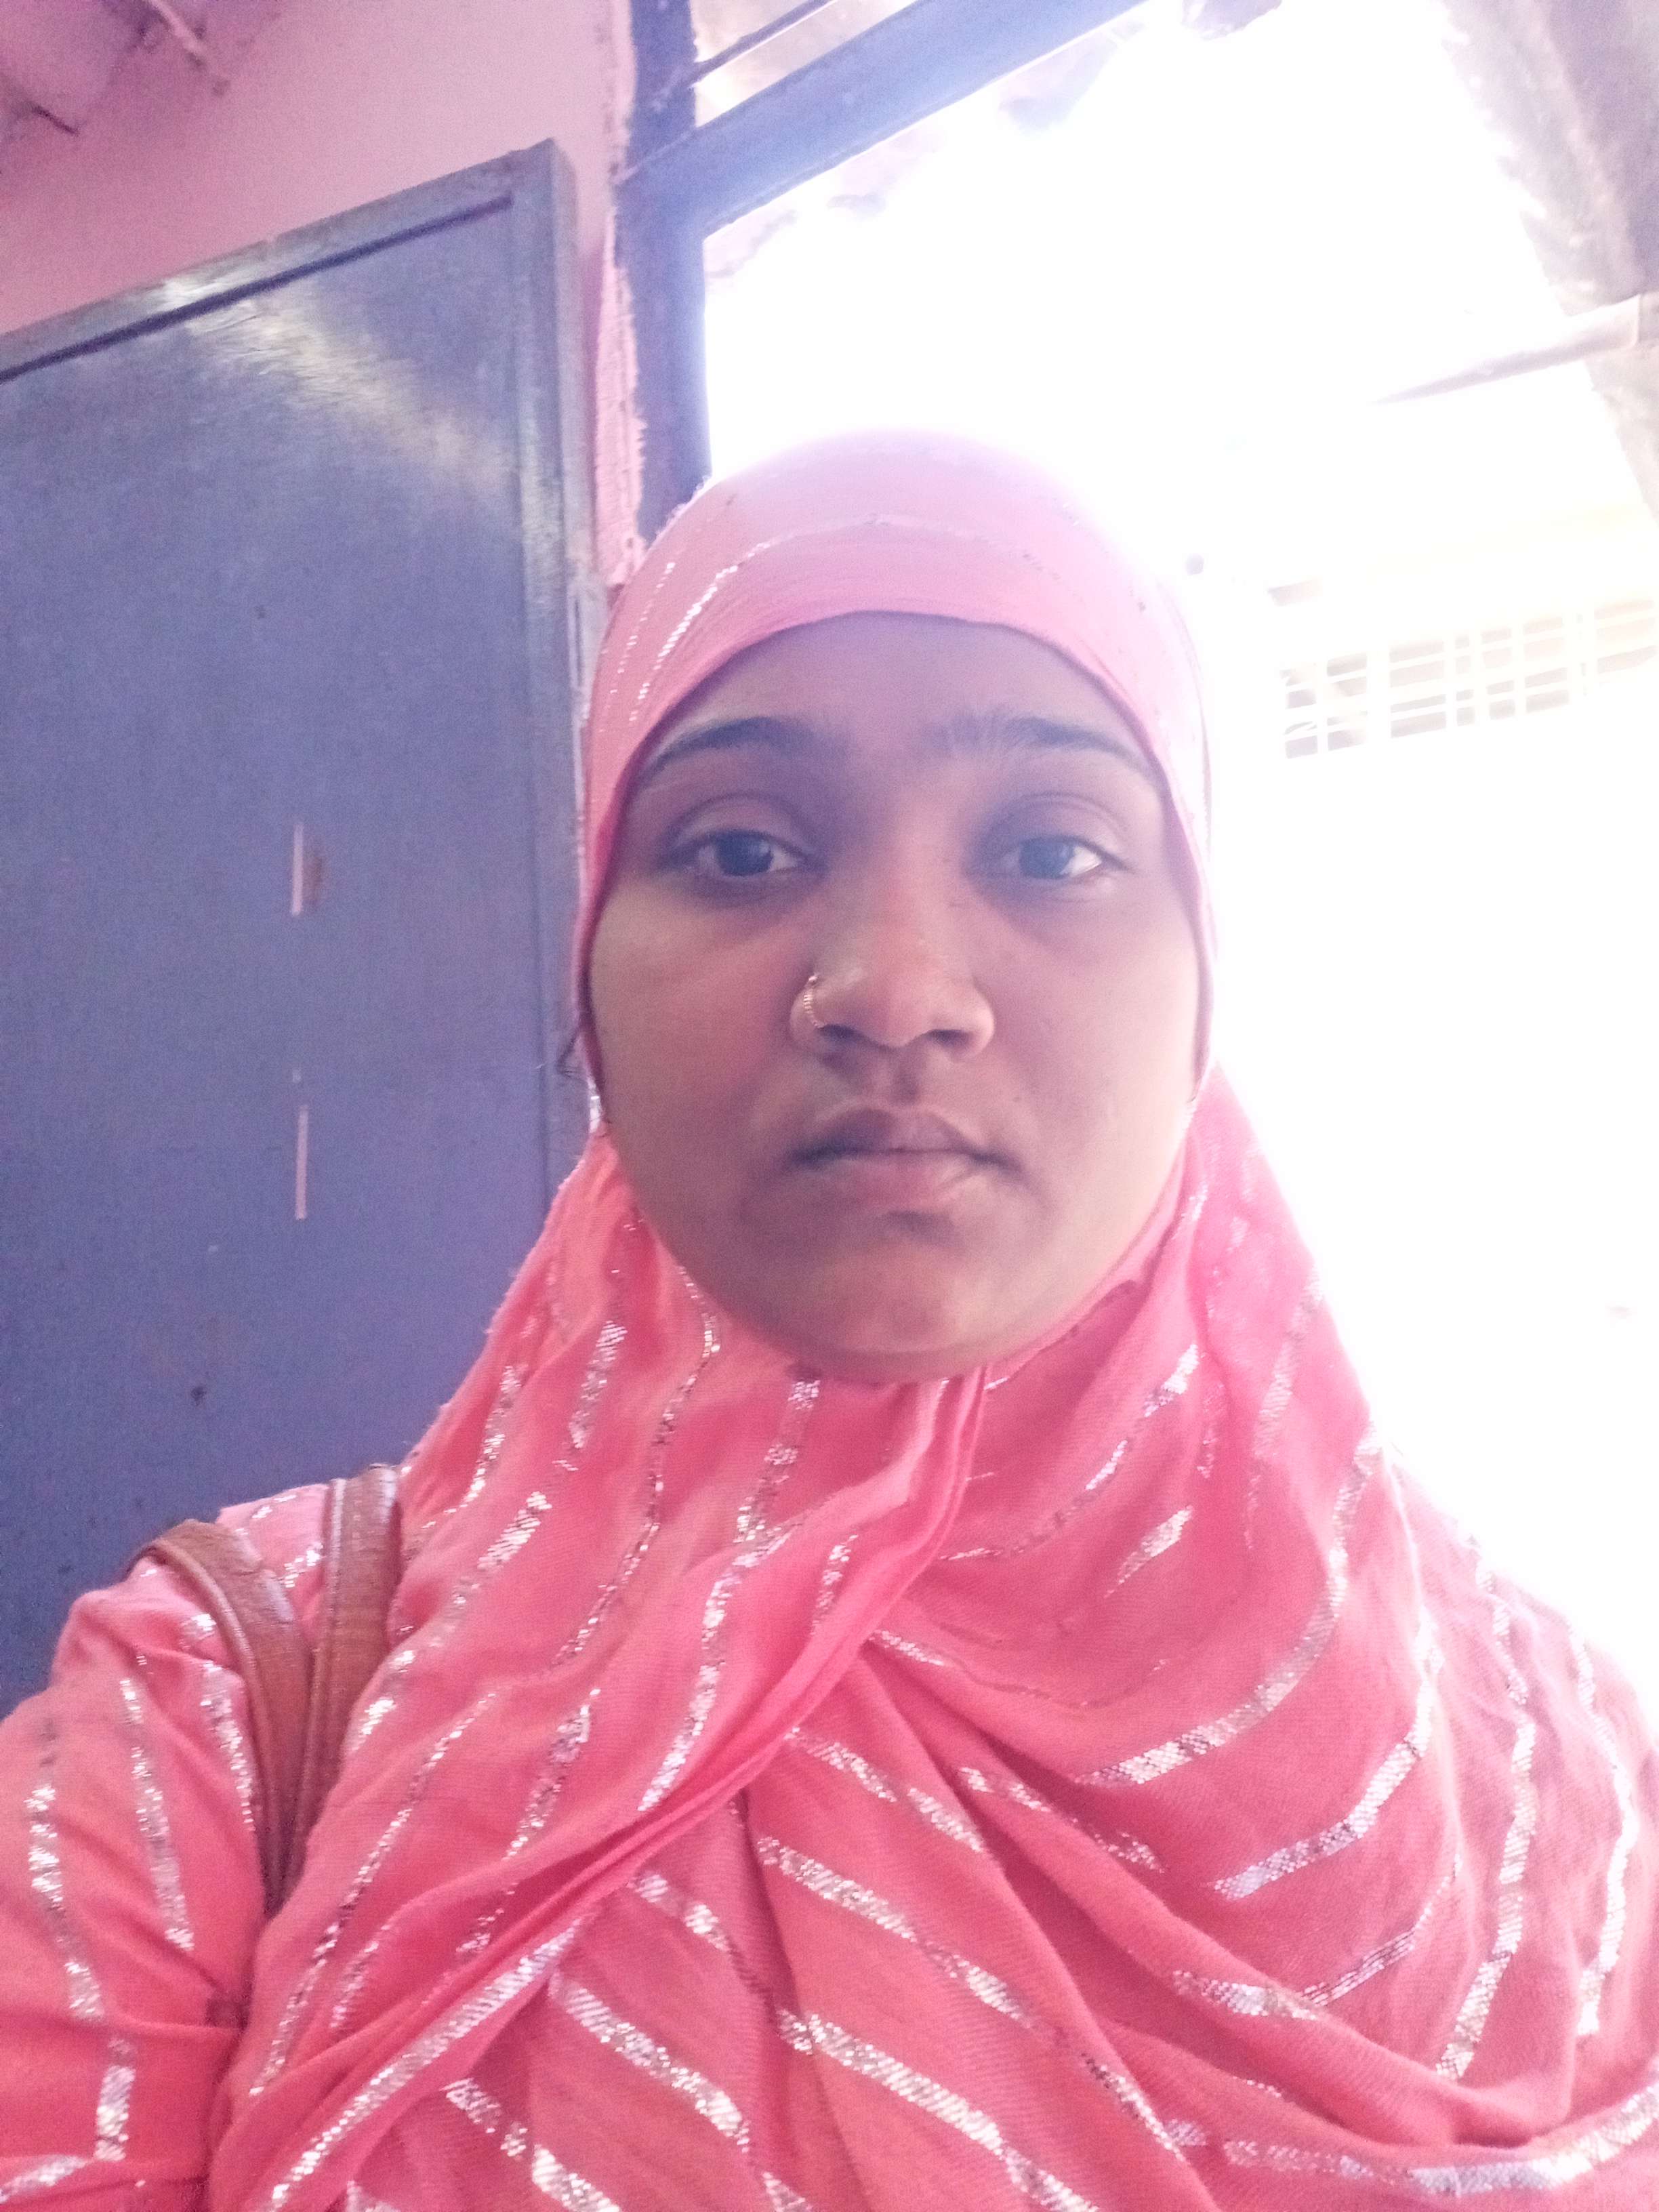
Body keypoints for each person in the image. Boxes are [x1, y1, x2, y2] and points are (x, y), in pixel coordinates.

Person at [2, 432, 1656, 2209]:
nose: (892, 990)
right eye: (738, 849)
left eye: (1052, 848)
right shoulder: (205, 1731)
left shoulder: (1561, 1782)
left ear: (1203, 986)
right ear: (589, 987)